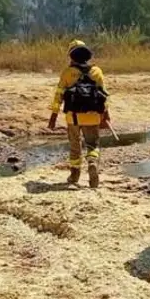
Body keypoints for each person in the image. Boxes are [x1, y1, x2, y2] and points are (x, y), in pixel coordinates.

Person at [48, 40, 110, 188]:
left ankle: (74, 175)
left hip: (73, 118)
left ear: (72, 56)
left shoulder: (67, 73)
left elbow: (58, 96)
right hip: (93, 116)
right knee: (92, 145)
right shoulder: (97, 71)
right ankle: (92, 163)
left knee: (75, 146)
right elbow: (103, 95)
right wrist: (106, 115)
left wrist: (53, 117)